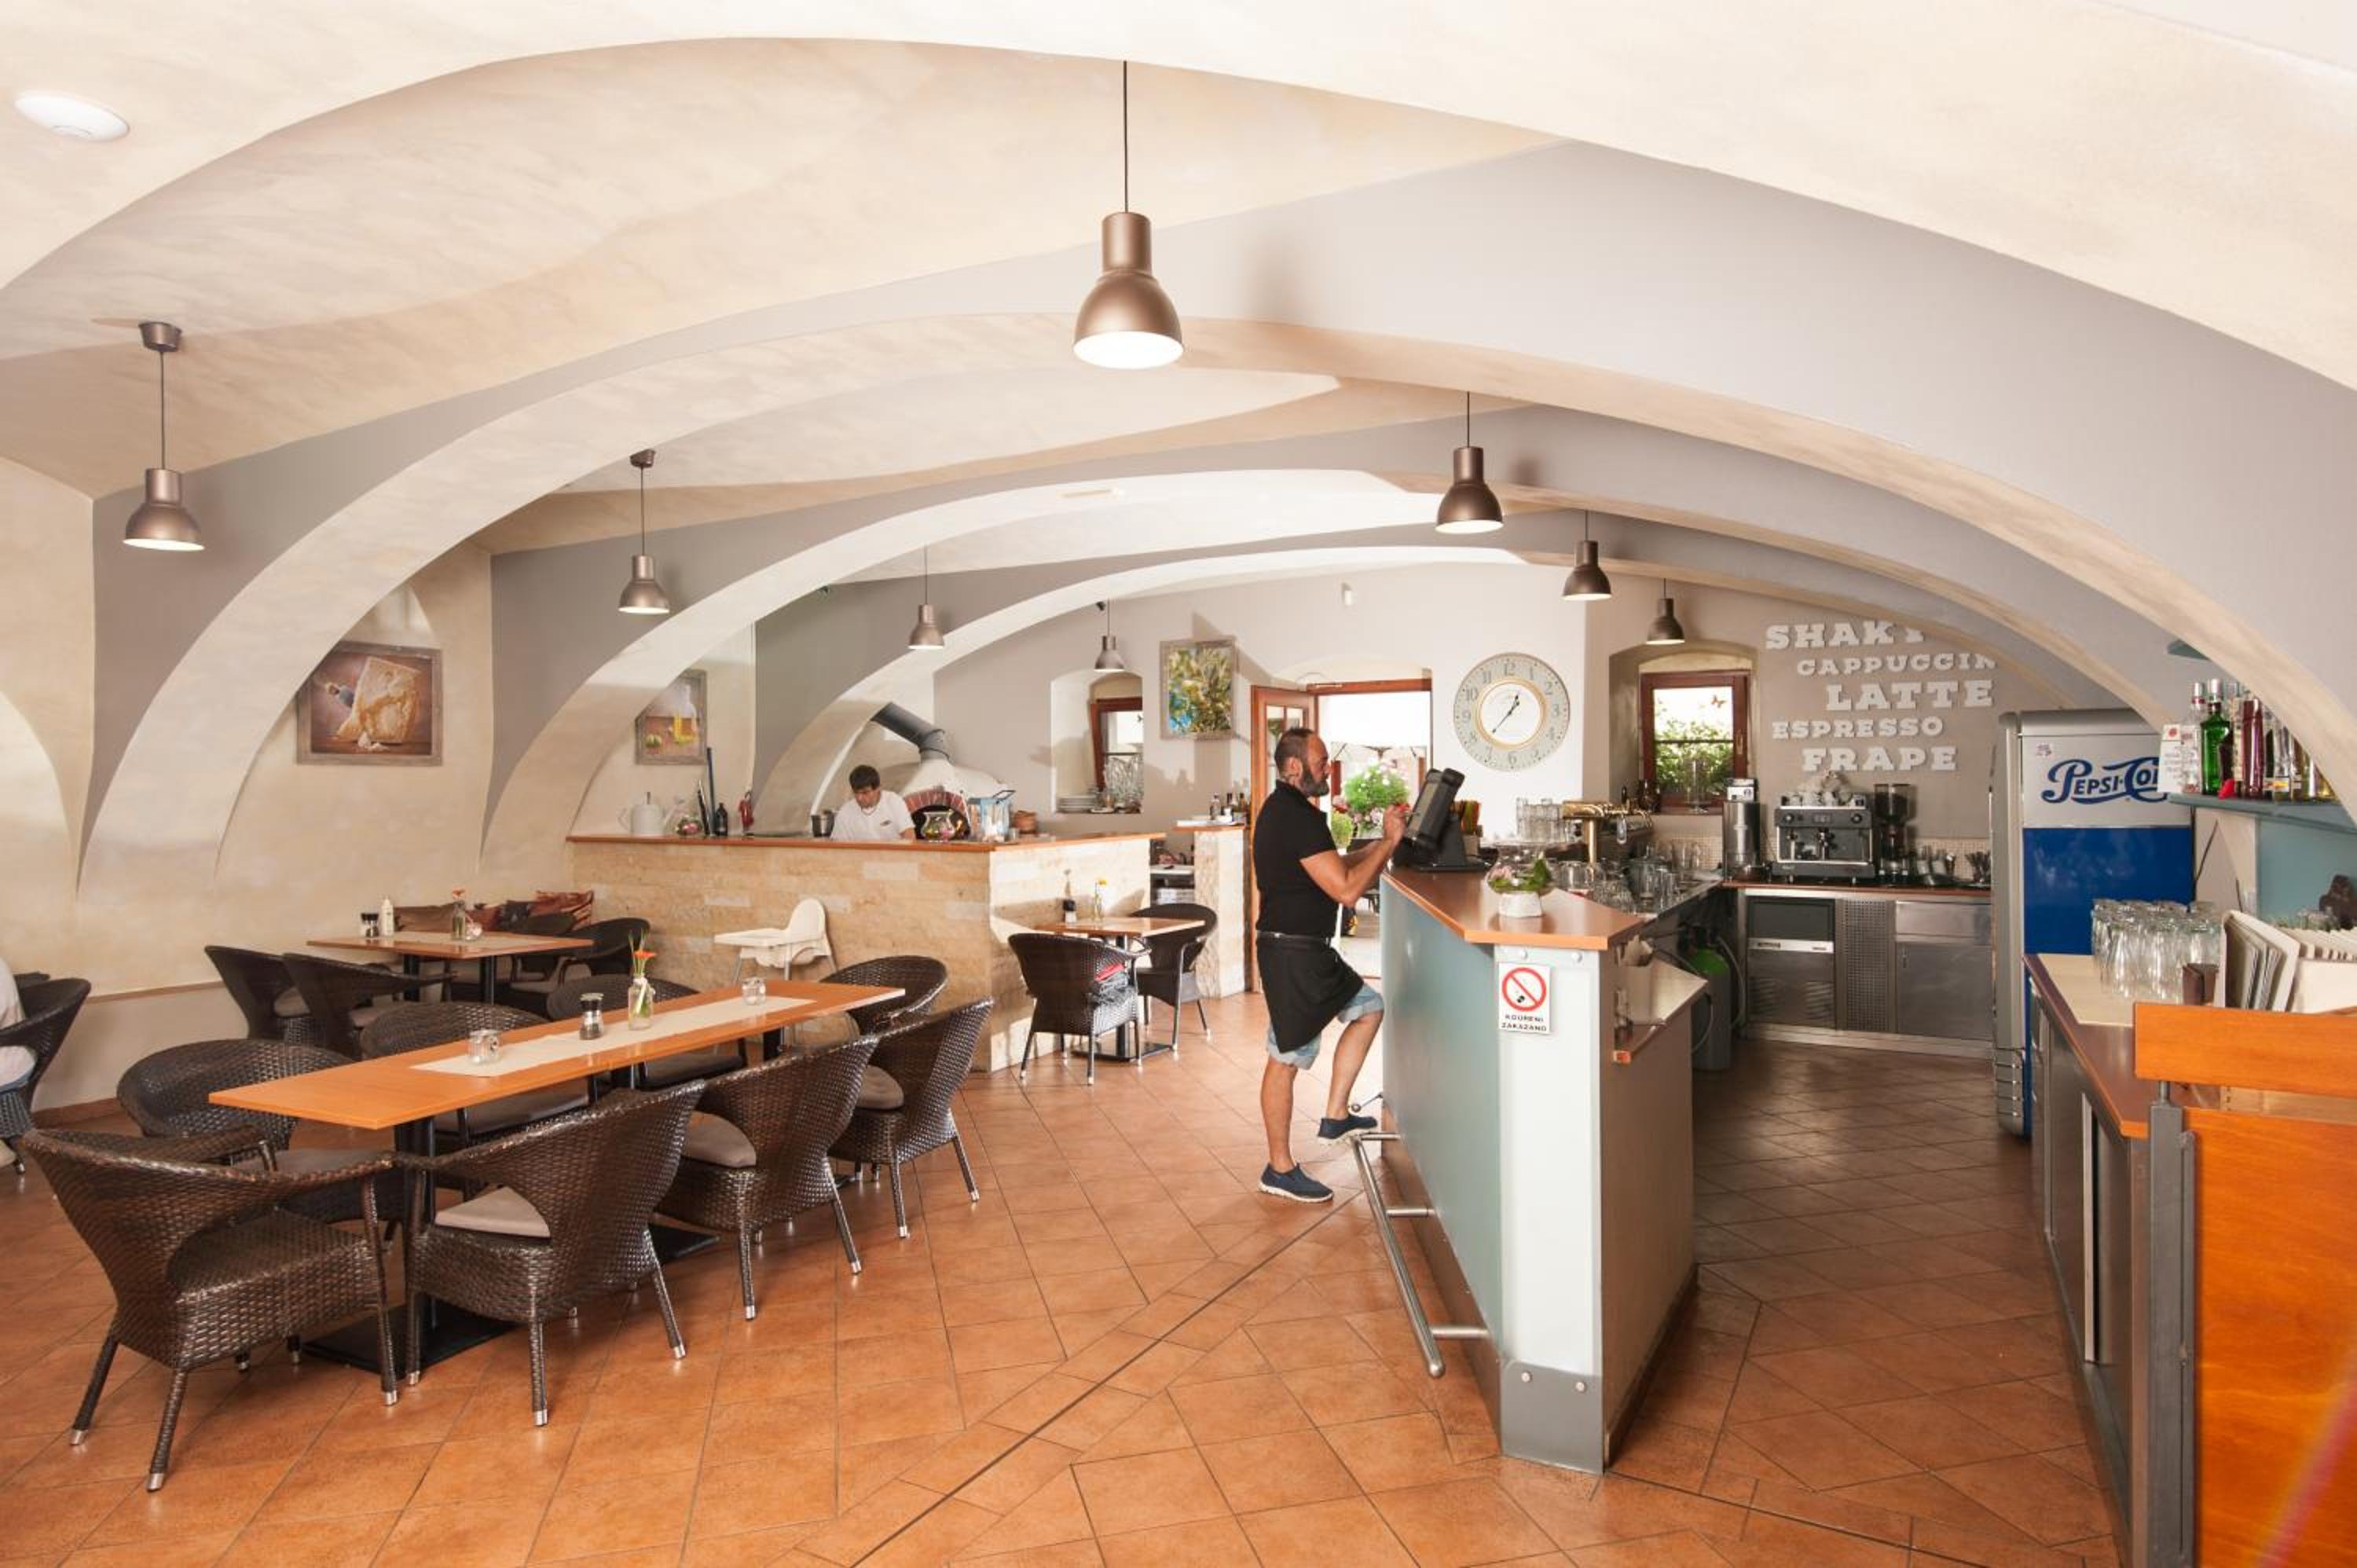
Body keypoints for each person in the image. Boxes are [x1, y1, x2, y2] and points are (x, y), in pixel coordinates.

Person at [1252, 726, 1406, 1203]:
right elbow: (1346, 889)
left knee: (1368, 1007)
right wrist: (1388, 844)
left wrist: (1379, 844)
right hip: (1293, 953)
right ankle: (1279, 1169)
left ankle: (1336, 1115)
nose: (1328, 770)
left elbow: (1333, 864)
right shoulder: (1296, 817)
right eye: (1321, 762)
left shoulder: (1291, 812)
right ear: (1293, 766)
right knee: (1286, 1058)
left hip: (1305, 950)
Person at [828, 764, 916, 842]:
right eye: (856, 792)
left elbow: (909, 836)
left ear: (878, 789)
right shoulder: (845, 811)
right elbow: (836, 843)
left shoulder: (893, 801)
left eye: (865, 793)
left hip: (892, 855)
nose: (859, 798)